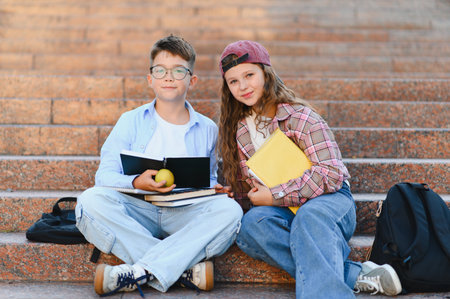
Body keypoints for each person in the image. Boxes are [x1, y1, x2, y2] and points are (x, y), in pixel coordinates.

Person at [216, 40, 402, 298]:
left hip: (329, 202)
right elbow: (248, 189)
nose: (243, 86)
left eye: (249, 75)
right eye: (233, 81)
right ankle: (354, 275)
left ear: (266, 74)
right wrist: (228, 194)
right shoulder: (236, 131)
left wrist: (275, 196)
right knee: (251, 226)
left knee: (309, 217)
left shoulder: (300, 117)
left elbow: (332, 174)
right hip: (283, 211)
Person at [75, 35, 243, 297]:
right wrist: (135, 182)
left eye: (179, 71)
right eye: (160, 70)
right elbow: (104, 176)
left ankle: (138, 272)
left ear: (192, 80)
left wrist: (215, 189)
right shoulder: (130, 121)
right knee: (90, 201)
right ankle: (182, 271)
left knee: (230, 211)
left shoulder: (208, 129)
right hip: (138, 207)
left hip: (184, 211)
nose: (169, 77)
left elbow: (205, 178)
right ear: (150, 79)